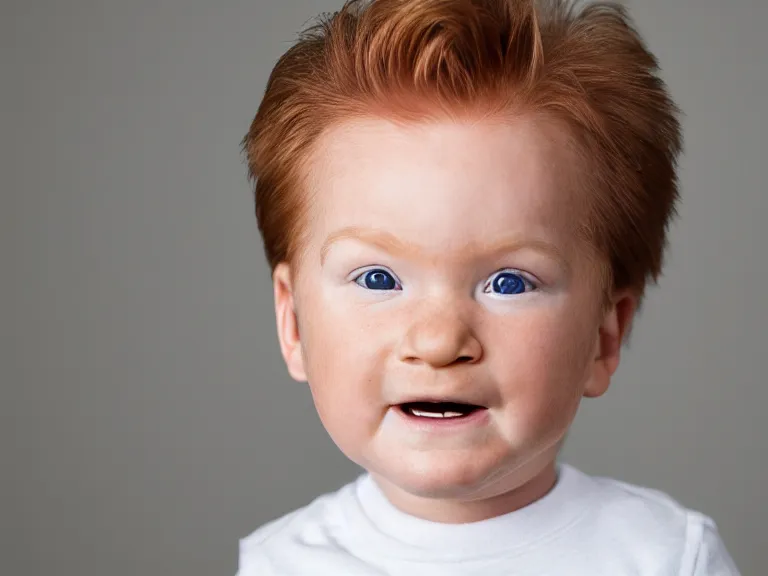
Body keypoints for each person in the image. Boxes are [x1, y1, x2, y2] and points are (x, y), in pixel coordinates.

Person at [237, 0, 740, 573]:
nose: (439, 341)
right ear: (294, 321)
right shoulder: (279, 564)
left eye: (508, 282)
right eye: (378, 278)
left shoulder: (667, 559)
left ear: (604, 336)